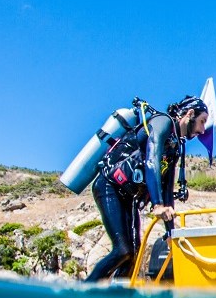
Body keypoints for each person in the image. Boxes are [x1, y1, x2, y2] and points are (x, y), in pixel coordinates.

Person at [85, 96, 209, 282]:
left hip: (128, 196)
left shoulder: (175, 145)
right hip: (108, 186)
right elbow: (152, 160)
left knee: (132, 255)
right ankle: (82, 294)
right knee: (122, 250)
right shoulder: (163, 122)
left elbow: (167, 188)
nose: (202, 129)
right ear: (189, 114)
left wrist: (170, 233)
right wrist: (157, 205)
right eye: (202, 121)